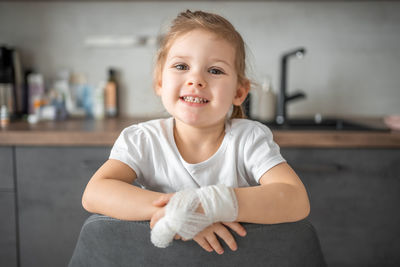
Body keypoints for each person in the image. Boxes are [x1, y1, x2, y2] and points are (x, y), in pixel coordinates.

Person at [82, 10, 310, 255]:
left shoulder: (249, 139)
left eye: (215, 70)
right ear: (160, 81)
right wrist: (178, 213)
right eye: (181, 66)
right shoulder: (142, 139)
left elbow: (296, 199)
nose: (196, 79)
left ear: (239, 92)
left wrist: (208, 206)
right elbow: (94, 193)